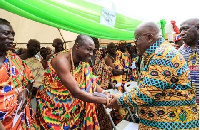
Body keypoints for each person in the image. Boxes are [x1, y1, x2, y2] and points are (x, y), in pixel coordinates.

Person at [109, 22, 199, 129]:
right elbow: (148, 87)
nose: (135, 44)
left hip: (171, 124)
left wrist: (120, 100)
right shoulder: (159, 53)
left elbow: (146, 94)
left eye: (136, 40)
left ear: (149, 38)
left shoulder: (162, 55)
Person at [36, 34, 110, 130]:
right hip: (54, 111)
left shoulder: (82, 63)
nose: (91, 54)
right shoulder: (61, 61)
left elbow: (91, 83)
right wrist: (106, 101)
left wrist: (105, 93)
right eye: (88, 49)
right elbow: (76, 92)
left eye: (93, 50)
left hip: (75, 112)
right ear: (77, 47)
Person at [0, 18, 37, 129]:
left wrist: (25, 91)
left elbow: (30, 80)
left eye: (12, 34)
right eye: (6, 33)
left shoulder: (15, 59)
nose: (11, 37)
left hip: (20, 119)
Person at [179, 18, 199, 104]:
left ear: (197, 28)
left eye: (185, 29)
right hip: (188, 105)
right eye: (181, 30)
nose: (182, 33)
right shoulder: (178, 53)